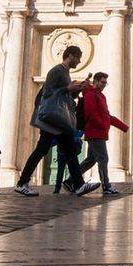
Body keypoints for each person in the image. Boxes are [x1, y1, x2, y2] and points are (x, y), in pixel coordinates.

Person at [15, 45, 99, 197]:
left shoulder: (65, 72)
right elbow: (48, 93)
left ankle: (79, 185)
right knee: (43, 150)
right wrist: (68, 87)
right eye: (78, 58)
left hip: (59, 120)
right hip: (53, 119)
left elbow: (66, 96)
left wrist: (78, 88)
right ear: (71, 56)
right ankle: (22, 183)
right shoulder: (56, 71)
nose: (79, 62)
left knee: (69, 150)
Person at [77, 72, 128, 196]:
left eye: (106, 82)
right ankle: (106, 186)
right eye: (102, 82)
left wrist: (123, 126)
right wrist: (101, 125)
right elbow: (91, 113)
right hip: (95, 132)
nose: (104, 84)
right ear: (95, 81)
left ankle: (71, 180)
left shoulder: (101, 96)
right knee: (103, 159)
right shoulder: (90, 94)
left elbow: (106, 116)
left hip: (99, 132)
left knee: (91, 160)